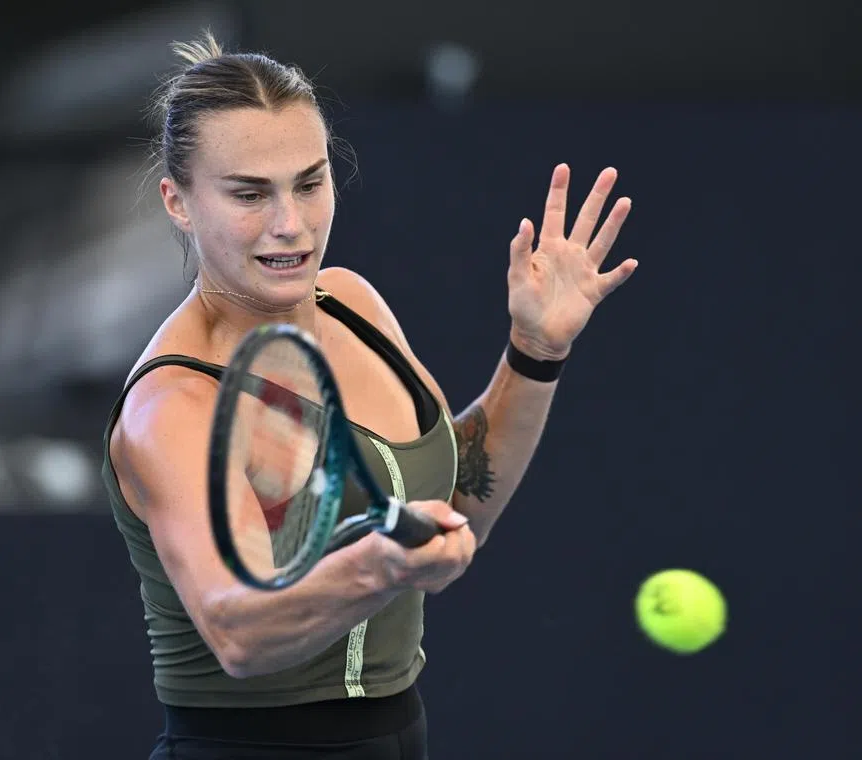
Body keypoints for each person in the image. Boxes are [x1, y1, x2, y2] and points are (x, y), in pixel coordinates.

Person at [101, 31, 637, 760]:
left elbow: (462, 507)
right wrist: (379, 565)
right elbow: (238, 631)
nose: (290, 223)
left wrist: (536, 353)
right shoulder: (173, 405)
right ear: (179, 201)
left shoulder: (353, 300)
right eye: (249, 193)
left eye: (310, 182)